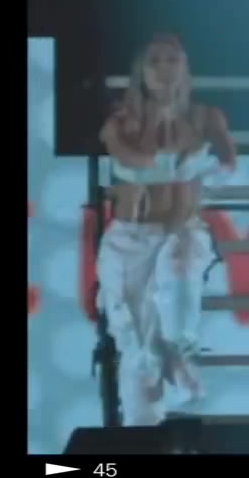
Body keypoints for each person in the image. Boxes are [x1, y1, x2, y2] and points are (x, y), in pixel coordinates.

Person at [95, 34, 238, 425]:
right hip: (131, 237)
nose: (163, 68)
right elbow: (127, 158)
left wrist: (211, 168)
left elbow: (228, 159)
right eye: (154, 60)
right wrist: (172, 165)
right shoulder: (121, 121)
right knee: (137, 347)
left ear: (185, 68)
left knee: (177, 301)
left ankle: (180, 374)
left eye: (171, 59)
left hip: (181, 232)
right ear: (141, 71)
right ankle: (142, 434)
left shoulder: (206, 117)